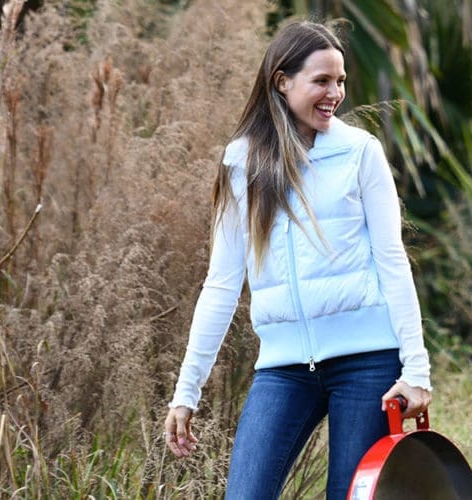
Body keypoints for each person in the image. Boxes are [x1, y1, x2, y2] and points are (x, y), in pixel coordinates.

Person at [162, 21, 432, 500]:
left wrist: (416, 371)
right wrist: (187, 391)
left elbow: (393, 260)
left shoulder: (360, 153)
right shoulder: (240, 163)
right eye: (322, 81)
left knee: (351, 496)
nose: (335, 94)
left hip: (367, 362)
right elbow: (222, 284)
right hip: (284, 366)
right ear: (282, 82)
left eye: (341, 81)